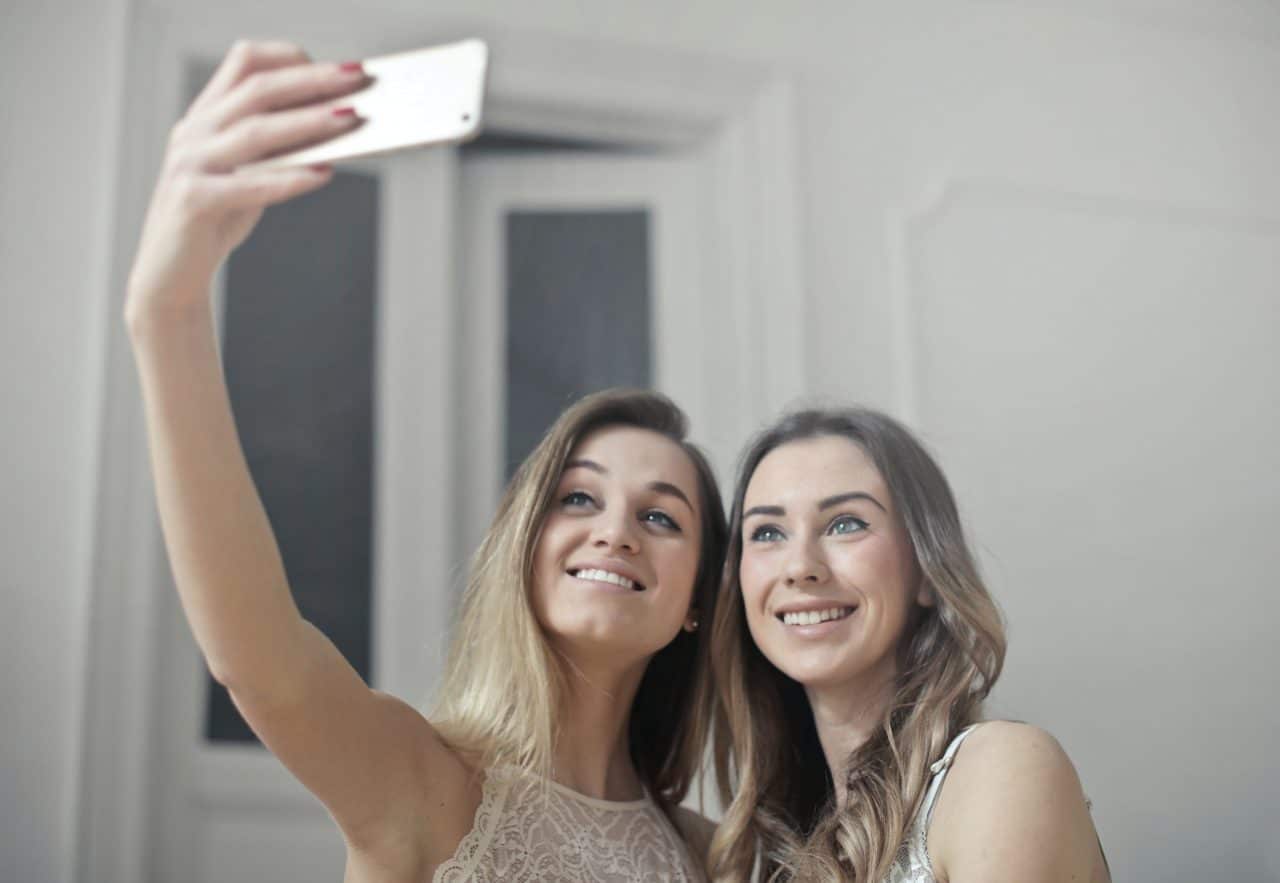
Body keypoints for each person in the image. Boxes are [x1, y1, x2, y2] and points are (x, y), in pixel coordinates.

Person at [125, 39, 727, 881]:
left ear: (699, 598)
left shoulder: (710, 856)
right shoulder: (415, 781)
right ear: (522, 541)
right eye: (579, 499)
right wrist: (167, 309)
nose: (616, 531)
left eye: (661, 516)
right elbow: (257, 659)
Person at [707, 408, 1109, 882]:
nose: (800, 567)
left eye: (845, 524)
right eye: (767, 532)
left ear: (924, 569)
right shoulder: (765, 858)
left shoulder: (1003, 768)